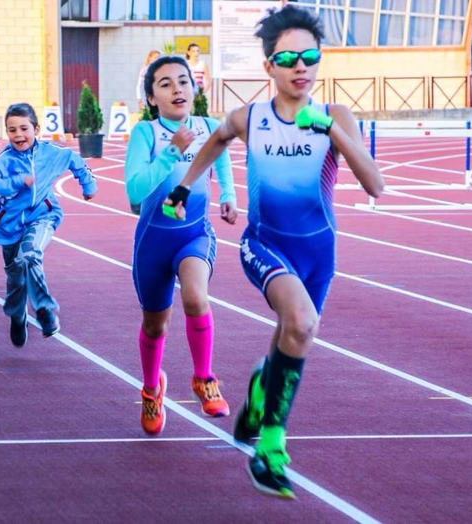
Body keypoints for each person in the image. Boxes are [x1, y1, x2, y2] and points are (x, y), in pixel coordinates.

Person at [164, 4, 384, 498]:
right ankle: (270, 447)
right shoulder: (250, 118)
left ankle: (262, 389)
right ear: (269, 67)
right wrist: (183, 188)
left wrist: (331, 132)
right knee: (301, 323)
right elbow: (216, 140)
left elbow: (376, 186)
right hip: (264, 245)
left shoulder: (336, 116)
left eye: (310, 55)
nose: (300, 66)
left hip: (318, 255)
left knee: (295, 335)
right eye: (288, 58)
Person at [124, 55, 238, 436]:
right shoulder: (145, 133)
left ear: (195, 88)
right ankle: (152, 388)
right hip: (152, 242)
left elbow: (219, 158)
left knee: (195, 298)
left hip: (194, 233)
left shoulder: (208, 127)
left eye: (183, 81)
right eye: (166, 84)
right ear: (152, 98)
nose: (177, 89)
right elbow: (135, 191)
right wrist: (172, 150)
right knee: (155, 326)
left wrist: (229, 194)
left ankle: (205, 379)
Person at [0, 103, 97, 346]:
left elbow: (76, 160)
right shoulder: (4, 161)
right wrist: (17, 181)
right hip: (9, 227)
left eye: (24, 128)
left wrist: (88, 186)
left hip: (43, 216)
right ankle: (18, 316)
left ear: (36, 129)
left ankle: (43, 310)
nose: (18, 135)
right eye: (12, 130)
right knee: (16, 279)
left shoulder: (51, 153)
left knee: (30, 254)